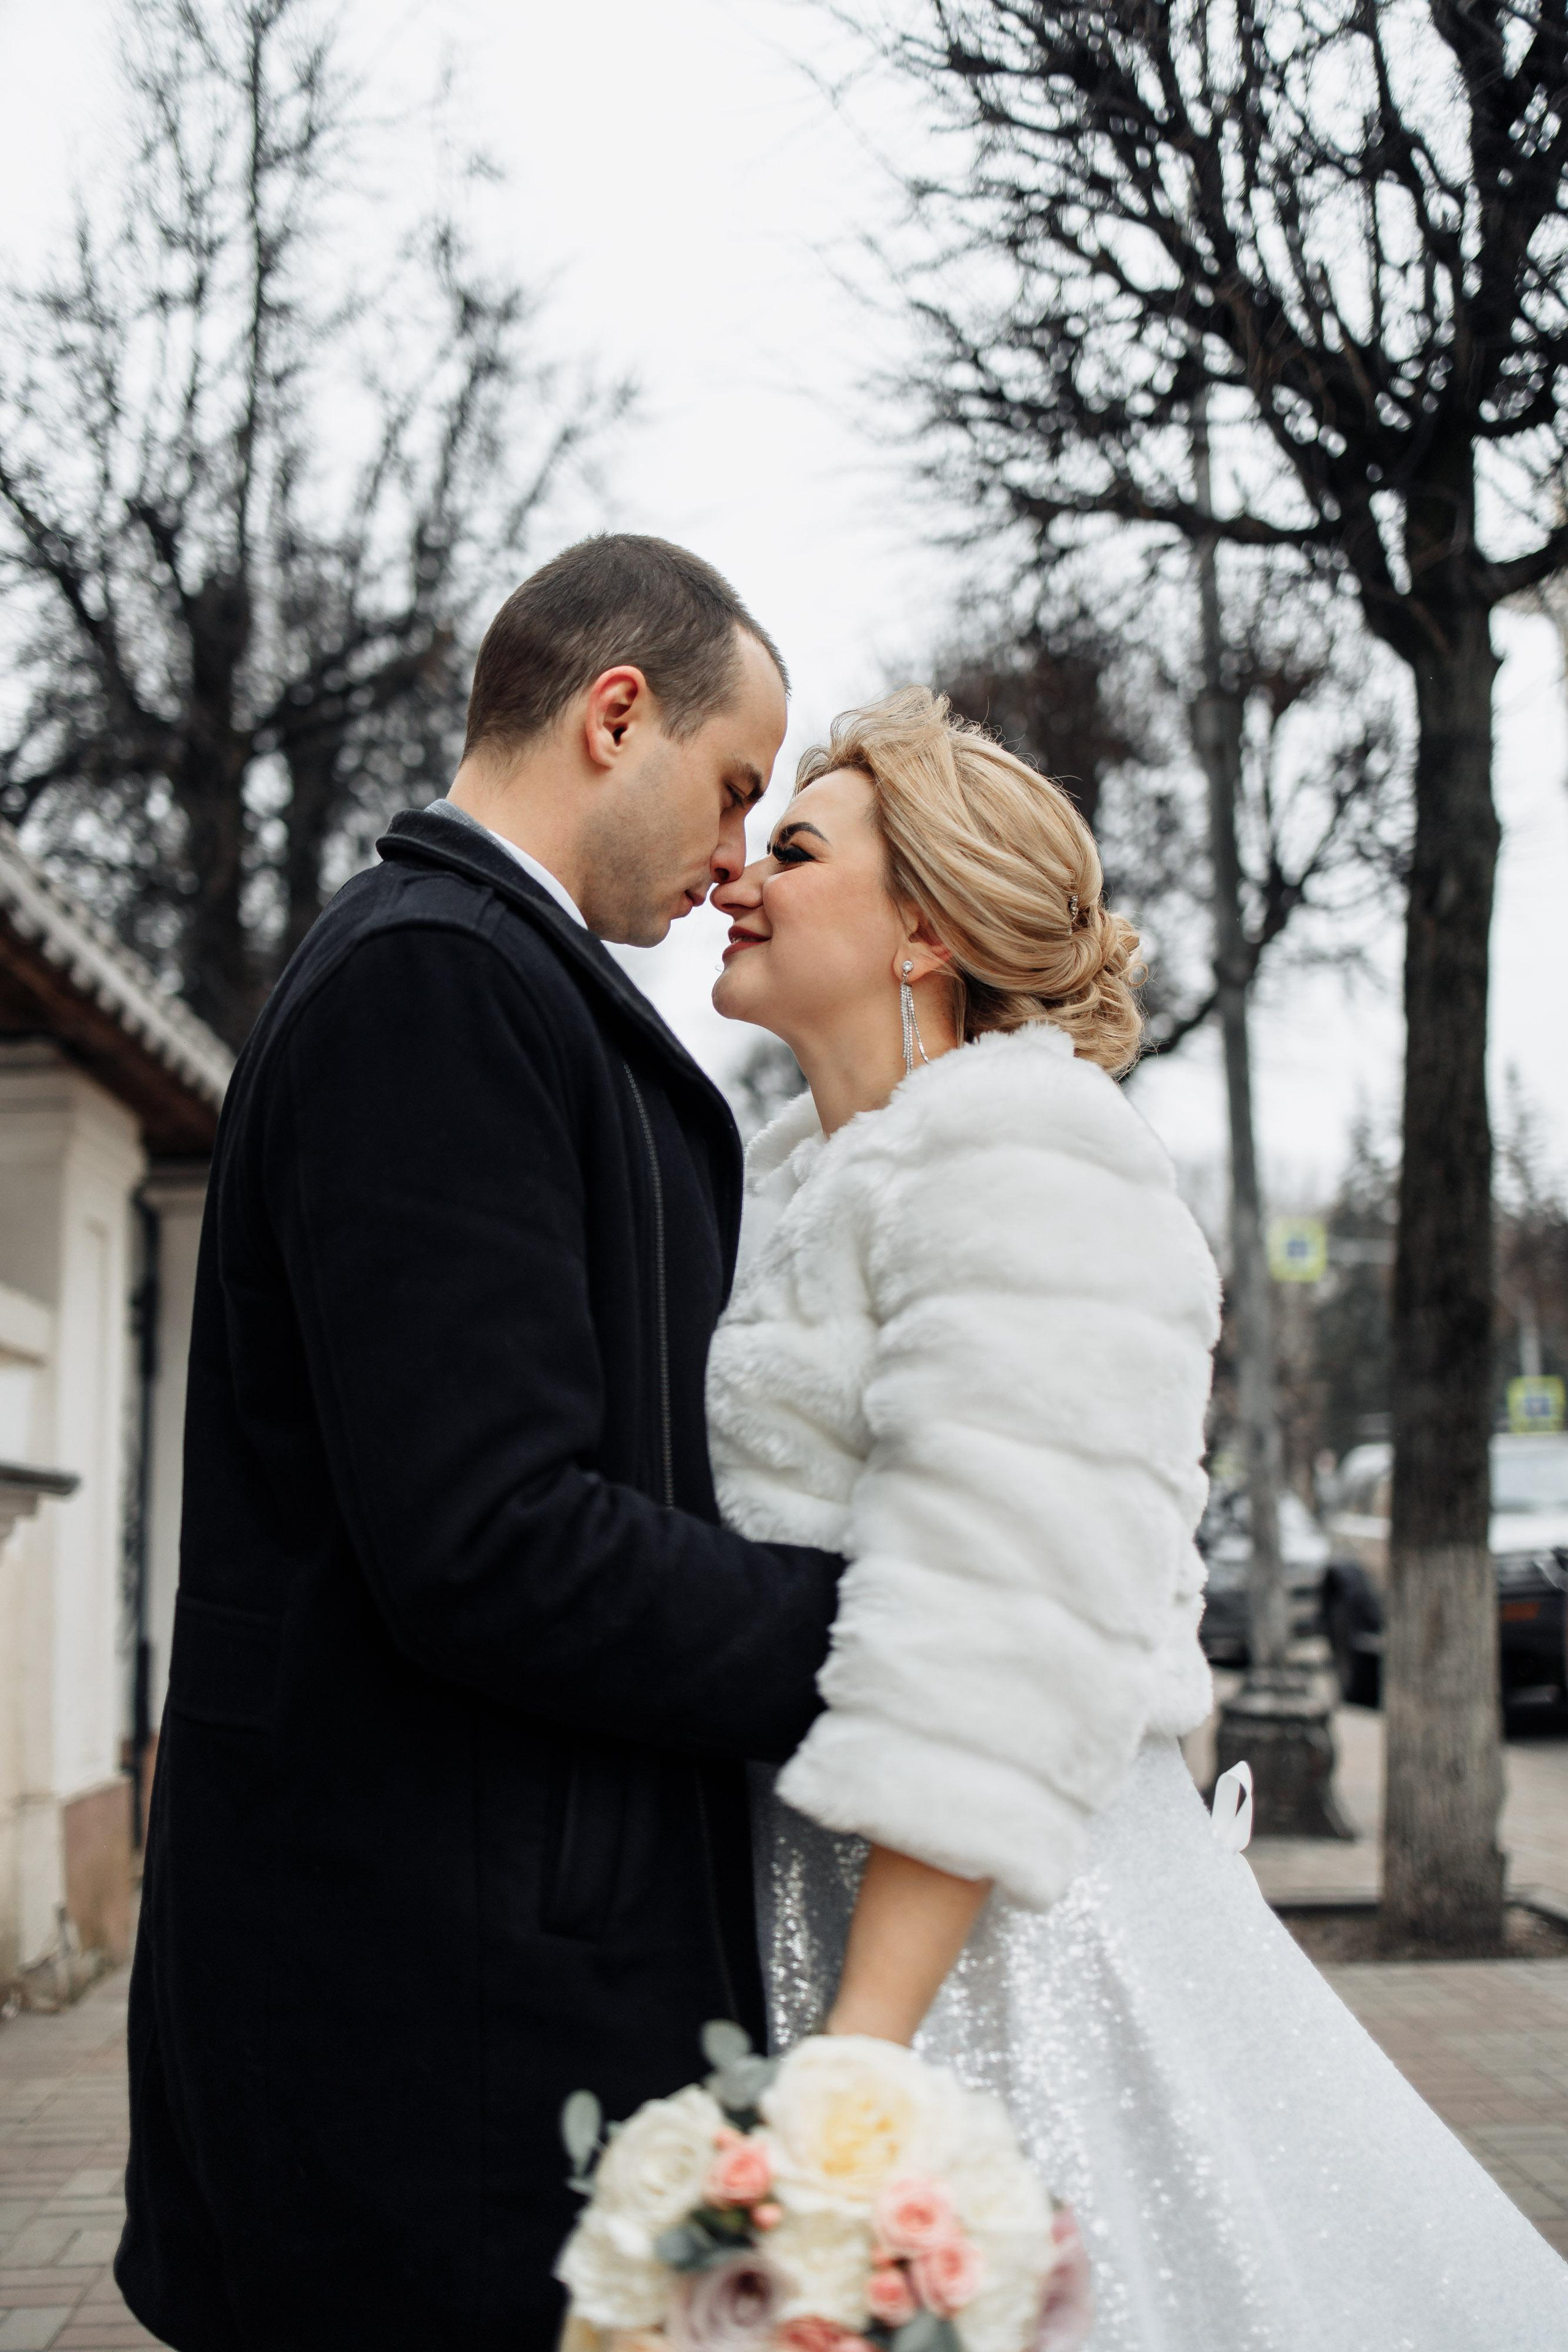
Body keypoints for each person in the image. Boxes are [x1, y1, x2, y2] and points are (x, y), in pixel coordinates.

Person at [706, 685, 1568, 2351]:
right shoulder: (780, 1184)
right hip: (821, 1915)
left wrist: (861, 2056)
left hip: (995, 1958)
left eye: (795, 850)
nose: (741, 875)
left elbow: (1002, 1630)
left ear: (926, 929)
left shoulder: (1032, 1162)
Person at [115, 537, 850, 2352]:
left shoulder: (489, 975)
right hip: (428, 2013)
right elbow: (495, 1538)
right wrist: (880, 1631)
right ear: (618, 715)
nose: (736, 859)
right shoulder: (434, 986)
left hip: (477, 1969)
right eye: (734, 786)